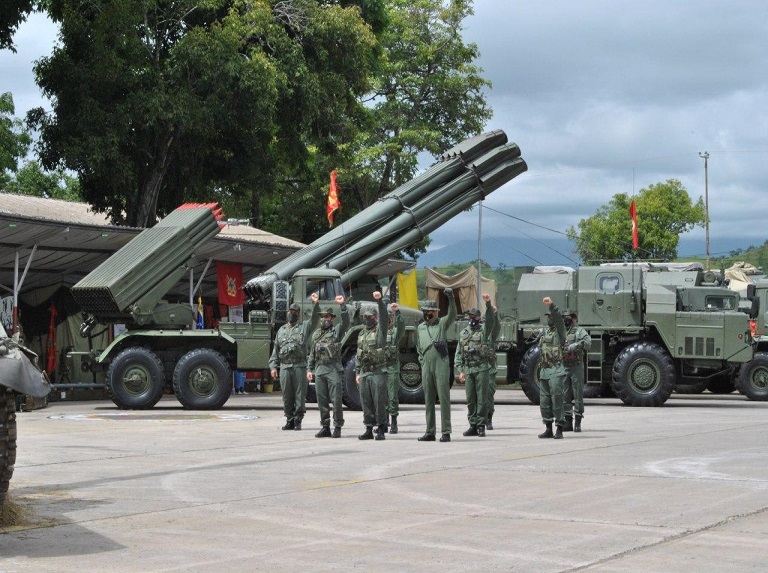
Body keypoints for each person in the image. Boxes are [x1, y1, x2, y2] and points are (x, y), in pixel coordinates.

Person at [269, 296, 320, 431]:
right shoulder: (281, 330)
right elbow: (276, 350)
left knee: (299, 395)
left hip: (299, 366)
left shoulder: (304, 327)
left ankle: (298, 420)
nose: (292, 314)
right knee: (287, 395)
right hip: (285, 366)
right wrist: (273, 366)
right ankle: (289, 419)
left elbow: (315, 319)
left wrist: (316, 304)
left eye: (295, 312)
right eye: (290, 311)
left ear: (298, 315)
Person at [416, 288, 456, 442]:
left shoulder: (442, 324)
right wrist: (422, 362)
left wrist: (451, 298)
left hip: (441, 364)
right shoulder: (420, 327)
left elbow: (452, 314)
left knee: (444, 398)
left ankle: (446, 431)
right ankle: (430, 431)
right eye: (426, 311)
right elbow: (419, 347)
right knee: (428, 398)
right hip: (426, 364)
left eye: (431, 311)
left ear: (436, 312)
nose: (428, 313)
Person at [307, 295, 349, 438]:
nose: (325, 319)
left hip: (333, 369)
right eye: (323, 316)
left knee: (336, 399)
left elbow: (346, 322)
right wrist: (309, 369)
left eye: (328, 317)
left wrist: (343, 306)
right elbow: (312, 353)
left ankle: (337, 426)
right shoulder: (316, 334)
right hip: (319, 369)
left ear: (332, 318)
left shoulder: (336, 331)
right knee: (321, 400)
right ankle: (325, 426)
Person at [455, 293, 496, 438]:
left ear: (479, 318)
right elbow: (459, 352)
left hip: (481, 368)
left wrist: (488, 304)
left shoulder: (484, 331)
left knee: (481, 398)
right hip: (468, 369)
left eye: (474, 316)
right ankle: (472, 424)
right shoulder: (463, 333)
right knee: (470, 399)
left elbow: (491, 320)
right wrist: (460, 370)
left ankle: (481, 425)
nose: (471, 318)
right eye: (469, 316)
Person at [355, 291, 389, 441]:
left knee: (379, 401)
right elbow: (359, 353)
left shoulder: (380, 331)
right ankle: (368, 427)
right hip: (364, 372)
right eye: (365, 317)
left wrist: (380, 302)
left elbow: (384, 317)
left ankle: (381, 427)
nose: (367, 319)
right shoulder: (361, 333)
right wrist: (357, 372)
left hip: (378, 371)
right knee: (366, 402)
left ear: (375, 317)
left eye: (370, 317)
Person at [537, 296, 567, 439]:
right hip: (544, 371)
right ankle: (548, 427)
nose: (549, 318)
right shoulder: (545, 334)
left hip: (556, 370)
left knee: (557, 400)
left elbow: (559, 320)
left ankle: (559, 428)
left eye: (550, 316)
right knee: (544, 401)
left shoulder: (560, 332)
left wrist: (552, 306)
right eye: (547, 317)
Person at [562, 310, 591, 432]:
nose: (565, 320)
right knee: (564, 395)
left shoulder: (580, 331)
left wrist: (575, 346)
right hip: (564, 366)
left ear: (573, 318)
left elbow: (588, 343)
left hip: (576, 367)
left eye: (567, 317)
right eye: (563, 317)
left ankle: (578, 421)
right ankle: (568, 421)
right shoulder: (561, 331)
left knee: (578, 394)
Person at [384, 302, 406, 434]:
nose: (388, 320)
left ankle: (394, 422)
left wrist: (397, 312)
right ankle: (383, 422)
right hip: (380, 368)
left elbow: (402, 326)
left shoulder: (395, 332)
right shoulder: (378, 332)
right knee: (382, 397)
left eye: (390, 318)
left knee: (392, 397)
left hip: (392, 367)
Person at [485, 304, 501, 430]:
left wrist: (495, 315)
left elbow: (496, 328)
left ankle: (489, 418)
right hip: (476, 370)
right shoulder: (473, 336)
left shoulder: (490, 337)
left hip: (489, 370)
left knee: (489, 395)